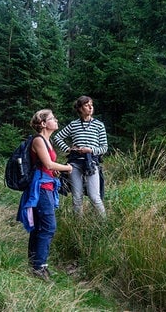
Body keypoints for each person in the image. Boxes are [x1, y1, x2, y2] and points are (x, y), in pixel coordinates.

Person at [17, 109, 72, 281]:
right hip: (40, 188)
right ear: (43, 124)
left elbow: (45, 166)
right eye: (52, 119)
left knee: (40, 227)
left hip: (47, 185)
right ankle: (39, 266)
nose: (56, 121)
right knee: (48, 227)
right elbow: (48, 163)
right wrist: (67, 168)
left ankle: (36, 264)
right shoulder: (38, 140)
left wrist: (54, 172)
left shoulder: (47, 141)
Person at [53, 96, 108, 218]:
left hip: (91, 164)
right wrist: (68, 149)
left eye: (91, 105)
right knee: (77, 197)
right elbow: (57, 137)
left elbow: (104, 147)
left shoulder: (99, 125)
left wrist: (91, 150)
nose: (90, 107)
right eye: (87, 105)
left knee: (95, 197)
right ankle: (77, 225)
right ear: (80, 108)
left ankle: (105, 224)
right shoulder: (74, 124)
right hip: (75, 163)